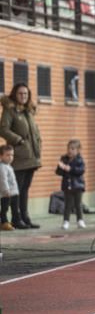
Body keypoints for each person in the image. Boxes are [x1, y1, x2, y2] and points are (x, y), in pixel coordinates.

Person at [0, 83, 42, 229]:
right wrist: (18, 140)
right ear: (14, 94)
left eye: (25, 94)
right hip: (18, 156)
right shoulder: (10, 110)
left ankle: (25, 217)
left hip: (32, 156)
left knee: (25, 189)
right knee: (15, 189)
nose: (23, 96)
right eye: (20, 93)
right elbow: (3, 129)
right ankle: (16, 218)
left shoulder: (28, 111)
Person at [55, 139, 87, 230]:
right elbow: (58, 172)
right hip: (67, 186)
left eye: (73, 149)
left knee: (78, 204)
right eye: (69, 148)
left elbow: (81, 170)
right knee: (68, 204)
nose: (70, 150)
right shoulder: (64, 158)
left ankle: (80, 220)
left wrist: (70, 169)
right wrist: (61, 167)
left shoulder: (79, 159)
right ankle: (66, 221)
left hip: (78, 186)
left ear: (78, 150)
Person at [0, 144, 22, 231]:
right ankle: (4, 222)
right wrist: (6, 191)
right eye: (7, 155)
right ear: (1, 156)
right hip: (6, 193)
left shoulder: (9, 166)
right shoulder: (2, 167)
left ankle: (15, 221)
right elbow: (3, 181)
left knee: (15, 208)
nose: (10, 157)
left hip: (14, 192)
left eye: (12, 155)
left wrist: (15, 191)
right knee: (5, 208)